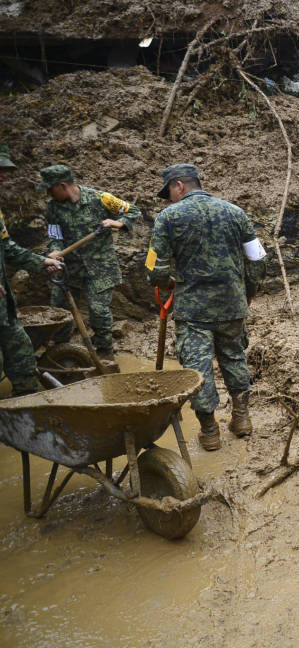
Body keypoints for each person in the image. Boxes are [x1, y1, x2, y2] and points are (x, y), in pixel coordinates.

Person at [146, 164, 267, 451]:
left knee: (198, 368)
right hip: (232, 305)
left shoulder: (169, 217)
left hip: (193, 312)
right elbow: (259, 260)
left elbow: (154, 268)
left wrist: (168, 284)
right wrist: (247, 293)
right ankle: (241, 419)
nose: (169, 199)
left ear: (179, 186)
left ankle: (210, 432)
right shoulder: (235, 212)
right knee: (234, 357)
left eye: (169, 193)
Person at [38, 164, 141, 361]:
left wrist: (116, 222)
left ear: (62, 185)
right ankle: (61, 350)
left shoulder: (100, 198)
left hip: (101, 267)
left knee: (98, 311)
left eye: (50, 189)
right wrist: (54, 249)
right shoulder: (52, 208)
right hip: (70, 268)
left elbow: (132, 211)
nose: (49, 194)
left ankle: (104, 352)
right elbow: (54, 234)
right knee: (60, 309)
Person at [0, 146, 64, 396]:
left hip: (4, 307)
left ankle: (24, 419)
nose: (3, 176)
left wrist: (41, 262)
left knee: (23, 359)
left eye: (4, 170)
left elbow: (7, 248)